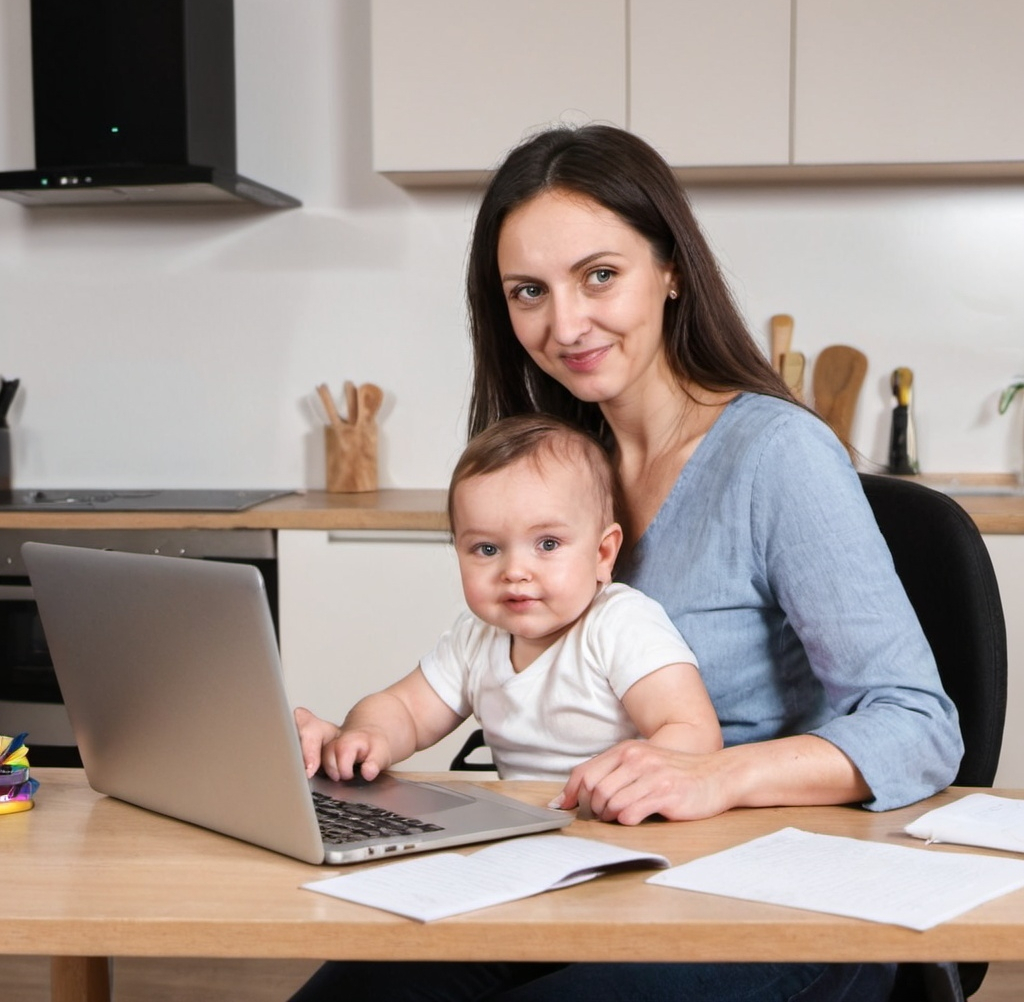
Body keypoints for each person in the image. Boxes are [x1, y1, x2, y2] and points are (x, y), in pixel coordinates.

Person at [289, 124, 963, 1002]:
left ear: (671, 268)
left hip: (772, 898)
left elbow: (918, 723)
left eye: (599, 275)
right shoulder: (562, 468)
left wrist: (714, 773)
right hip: (579, 873)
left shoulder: (777, 455)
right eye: (528, 291)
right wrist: (355, 742)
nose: (565, 324)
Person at [295, 412, 721, 786]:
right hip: (529, 833)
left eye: (548, 544)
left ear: (602, 553)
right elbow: (404, 708)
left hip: (625, 825)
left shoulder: (620, 623)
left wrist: (626, 773)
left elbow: (694, 731)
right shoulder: (476, 638)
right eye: (487, 549)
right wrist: (368, 735)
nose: (515, 571)